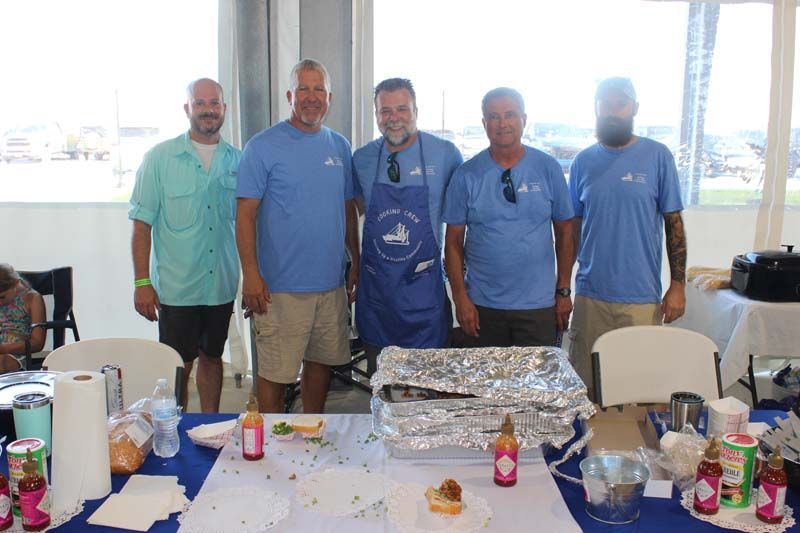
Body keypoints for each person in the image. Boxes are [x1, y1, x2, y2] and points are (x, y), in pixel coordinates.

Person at [236, 59, 359, 414]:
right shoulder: (262, 147)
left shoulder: (339, 146)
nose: (311, 97)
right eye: (303, 89)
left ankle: (310, 430)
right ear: (290, 95)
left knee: (320, 363)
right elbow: (245, 214)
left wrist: (356, 261)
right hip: (279, 289)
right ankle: (272, 445)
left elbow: (347, 208)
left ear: (329, 97)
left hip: (329, 285)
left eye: (318, 89)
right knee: (276, 373)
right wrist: (252, 276)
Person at [568, 77, 687, 401]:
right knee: (587, 391)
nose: (612, 111)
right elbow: (572, 230)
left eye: (619, 104)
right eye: (605, 104)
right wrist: (563, 287)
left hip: (641, 298)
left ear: (634, 108)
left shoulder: (657, 156)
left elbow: (674, 223)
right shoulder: (583, 162)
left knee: (638, 391)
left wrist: (678, 285)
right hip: (591, 297)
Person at [129, 78, 241, 413]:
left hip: (220, 285)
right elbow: (141, 226)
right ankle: (172, 430)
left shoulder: (239, 161)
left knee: (212, 356)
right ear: (187, 108)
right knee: (178, 365)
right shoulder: (160, 158)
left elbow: (251, 225)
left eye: (215, 103)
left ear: (224, 108)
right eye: (201, 102)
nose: (208, 109)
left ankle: (211, 426)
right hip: (177, 287)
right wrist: (141, 283)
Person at [443, 87, 575, 347]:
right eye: (493, 117)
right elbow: (453, 242)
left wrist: (564, 291)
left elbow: (565, 231)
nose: (502, 123)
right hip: (482, 307)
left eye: (510, 115)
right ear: (484, 123)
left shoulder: (548, 168)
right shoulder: (466, 175)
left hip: (538, 307)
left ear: (524, 119)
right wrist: (461, 299)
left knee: (536, 386)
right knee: (485, 387)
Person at [352, 78, 463, 374]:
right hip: (377, 297)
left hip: (424, 297)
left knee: (428, 393)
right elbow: (355, 211)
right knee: (383, 392)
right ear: (376, 115)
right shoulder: (362, 159)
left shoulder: (445, 154)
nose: (394, 117)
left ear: (416, 110)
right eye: (385, 110)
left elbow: (460, 223)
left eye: (402, 109)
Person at [0, 264, 45, 373]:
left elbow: (37, 343)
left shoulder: (32, 298)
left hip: (15, 355)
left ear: (16, 283)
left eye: (2, 297)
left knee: (2, 360)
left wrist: (3, 348)